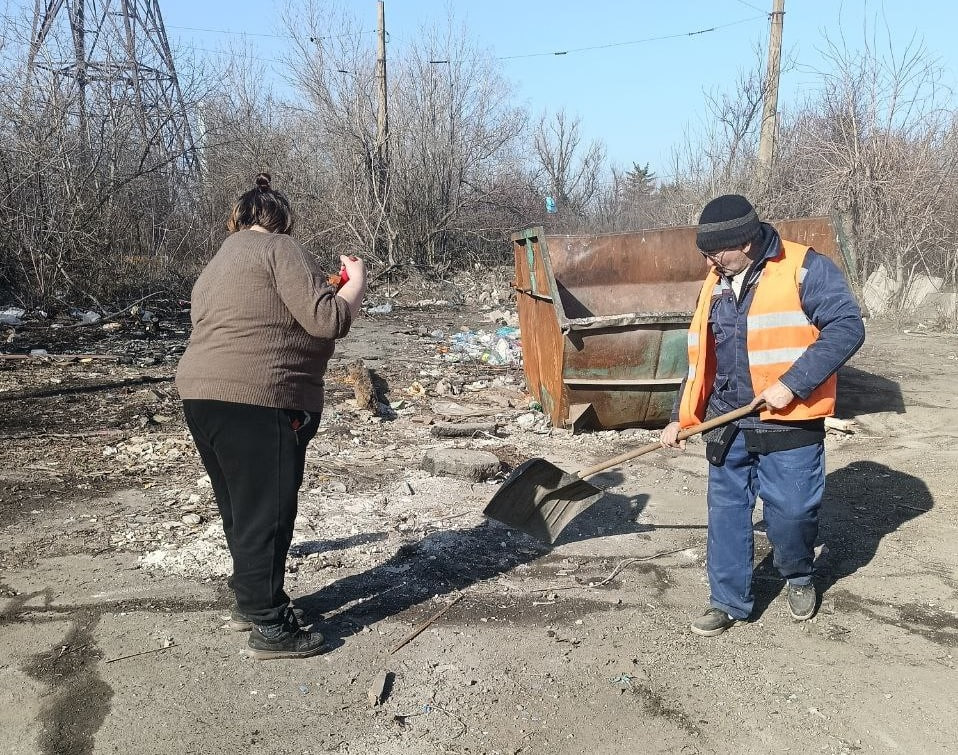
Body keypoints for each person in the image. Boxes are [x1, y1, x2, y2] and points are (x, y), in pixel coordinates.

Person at [176, 173, 367, 659]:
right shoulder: (280, 249)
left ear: (237, 218)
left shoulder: (217, 263)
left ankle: (253, 601)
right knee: (268, 511)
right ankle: (268, 625)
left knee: (241, 509)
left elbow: (259, 317)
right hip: (258, 399)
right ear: (280, 221)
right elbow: (327, 320)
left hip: (201, 395)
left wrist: (322, 290)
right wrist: (354, 286)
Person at [660, 194, 864, 637]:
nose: (709, 259)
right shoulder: (714, 280)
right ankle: (727, 600)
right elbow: (700, 356)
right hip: (725, 420)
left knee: (791, 513)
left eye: (716, 251)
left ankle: (798, 575)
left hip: (788, 421)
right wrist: (681, 416)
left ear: (746, 243)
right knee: (728, 514)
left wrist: (793, 382)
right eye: (706, 252)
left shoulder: (805, 267)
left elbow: (848, 327)